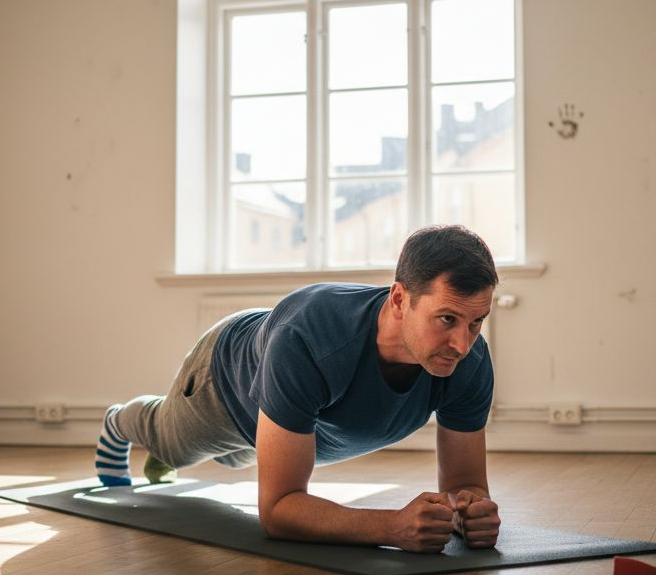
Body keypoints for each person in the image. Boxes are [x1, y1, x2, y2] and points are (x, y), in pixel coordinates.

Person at [95, 224, 501, 553]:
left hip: (284, 412)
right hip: (224, 384)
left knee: (235, 460)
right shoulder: (309, 338)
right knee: (173, 446)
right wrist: (391, 526)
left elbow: (464, 484)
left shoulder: (470, 363)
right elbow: (278, 510)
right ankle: (121, 422)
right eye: (447, 319)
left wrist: (471, 511)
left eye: (476, 322)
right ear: (399, 299)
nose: (462, 345)